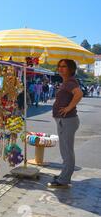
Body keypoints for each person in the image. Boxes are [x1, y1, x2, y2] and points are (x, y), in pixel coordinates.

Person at [48, 59, 84, 189]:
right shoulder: (67, 82)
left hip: (67, 120)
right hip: (65, 121)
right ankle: (65, 176)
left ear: (71, 69)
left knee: (67, 151)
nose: (60, 68)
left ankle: (64, 180)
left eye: (64, 66)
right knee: (65, 150)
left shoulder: (70, 82)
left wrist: (68, 108)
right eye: (59, 66)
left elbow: (79, 94)